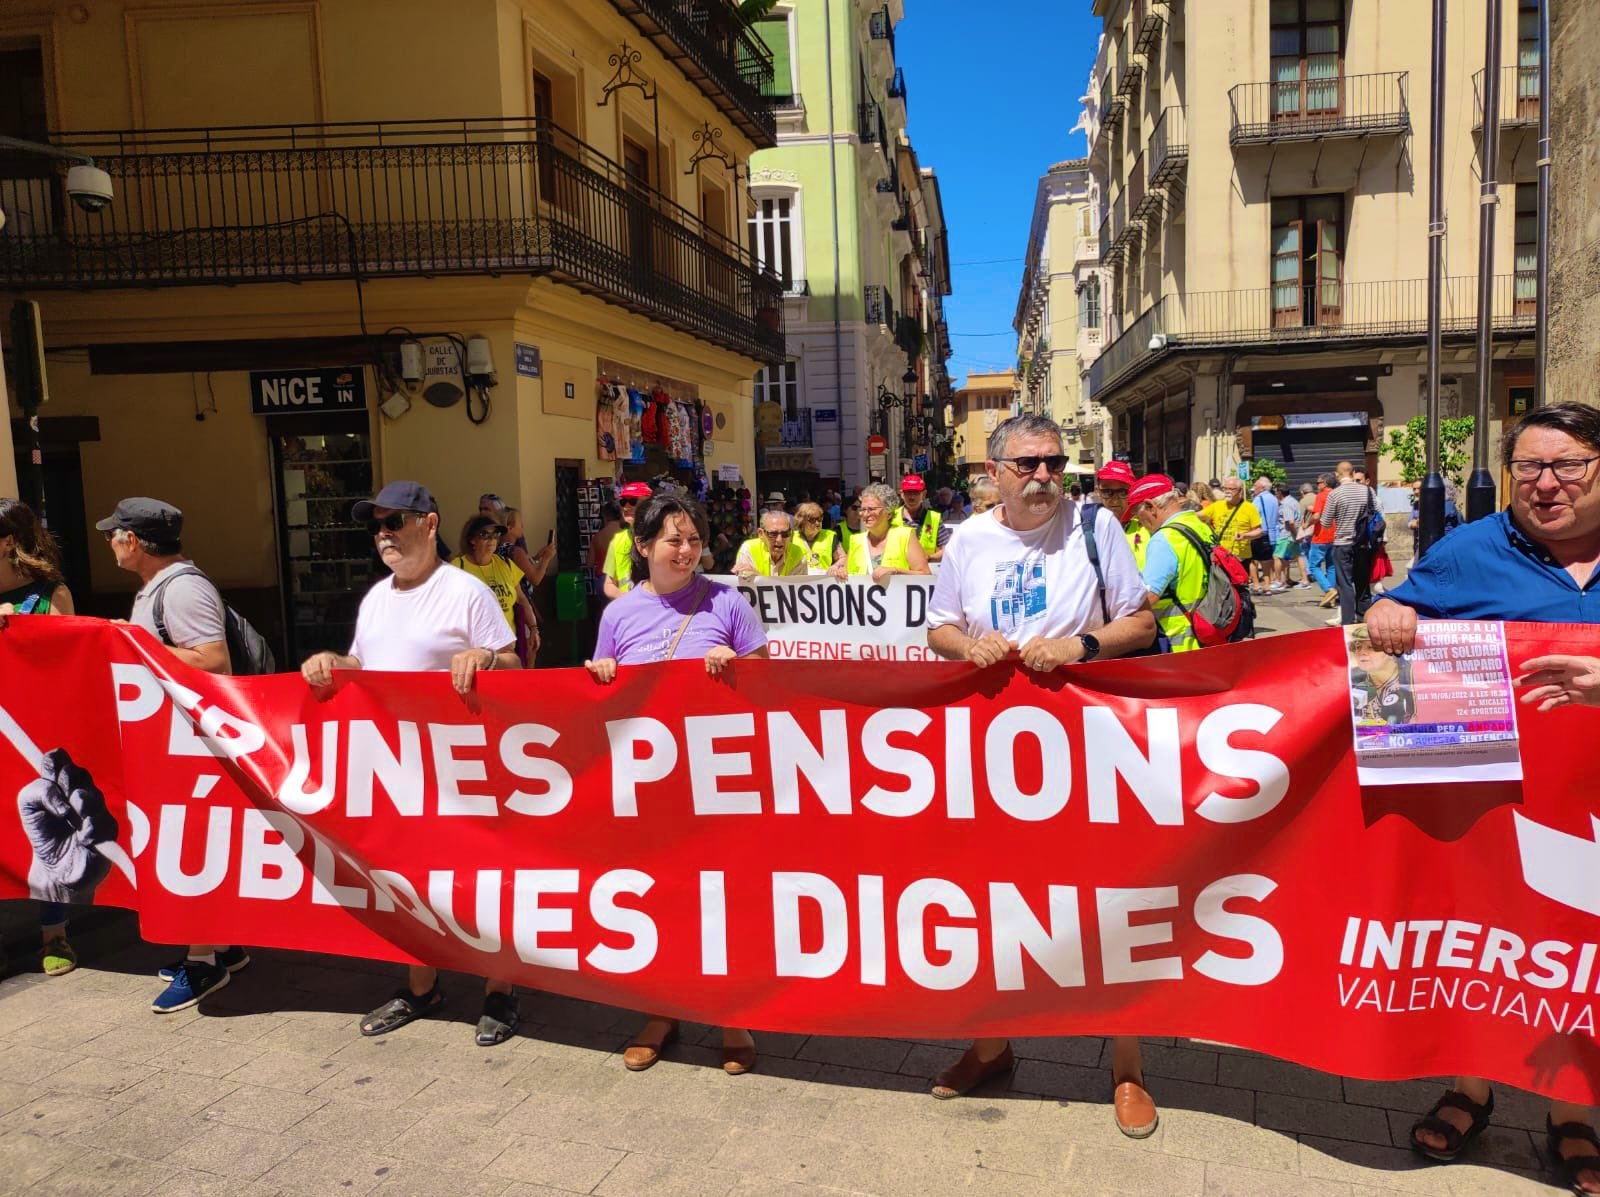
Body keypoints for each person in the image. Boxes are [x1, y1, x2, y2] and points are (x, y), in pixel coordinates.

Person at [1363, 403, 1600, 1196]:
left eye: (1568, 465)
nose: (1546, 483)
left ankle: (1573, 1112)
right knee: (1486, 936)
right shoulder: (1471, 547)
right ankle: (1472, 1089)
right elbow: (1394, 612)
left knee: (1582, 948)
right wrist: (1387, 612)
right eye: (1529, 466)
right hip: (1502, 803)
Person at [925, 414, 1159, 1136]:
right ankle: (991, 1046)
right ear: (993, 470)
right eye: (1028, 464)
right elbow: (937, 628)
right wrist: (972, 641)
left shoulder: (1096, 528)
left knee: (1109, 904)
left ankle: (1127, 1069)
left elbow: (1143, 623)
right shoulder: (968, 540)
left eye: (1055, 462)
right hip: (995, 755)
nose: (1044, 476)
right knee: (995, 903)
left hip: (1088, 747)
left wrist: (1079, 643)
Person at [300, 481, 523, 1047]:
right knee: (410, 882)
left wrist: (486, 658)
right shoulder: (376, 598)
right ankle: (422, 988)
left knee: (482, 881)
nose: (384, 535)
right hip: (401, 772)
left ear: (428, 523)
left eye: (395, 521)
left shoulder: (465, 591)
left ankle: (501, 989)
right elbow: (364, 663)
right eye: (376, 525)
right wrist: (334, 662)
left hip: (465, 770)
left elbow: (516, 663)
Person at [583, 494, 767, 1075]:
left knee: (722, 898)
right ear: (644, 548)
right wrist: (601, 676)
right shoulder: (619, 615)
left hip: (720, 782)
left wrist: (735, 667)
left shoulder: (729, 603)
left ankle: (731, 1016)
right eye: (673, 540)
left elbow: (771, 687)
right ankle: (660, 1011)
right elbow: (603, 701)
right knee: (657, 897)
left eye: (693, 539)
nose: (686, 551)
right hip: (651, 786)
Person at [96, 498, 249, 1012]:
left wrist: (128, 643)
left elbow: (213, 661)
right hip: (174, 741)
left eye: (113, 533)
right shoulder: (161, 587)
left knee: (190, 848)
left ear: (133, 541)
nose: (109, 541)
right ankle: (225, 946)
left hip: (195, 747)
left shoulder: (182, 588)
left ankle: (202, 961)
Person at [0, 499, 80, 976]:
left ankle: (56, 934)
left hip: (34, 735)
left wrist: (22, 631)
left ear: (7, 542)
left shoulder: (52, 593)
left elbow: (66, 665)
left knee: (46, 832)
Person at [1125, 474, 1216, 655]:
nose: (1138, 521)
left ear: (1150, 506)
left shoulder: (1165, 538)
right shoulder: (1199, 526)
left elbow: (1147, 598)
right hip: (1208, 630)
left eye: (1137, 513)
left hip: (1178, 640)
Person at [454, 515, 538, 645]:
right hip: (475, 649)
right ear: (472, 540)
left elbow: (521, 599)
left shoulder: (506, 564)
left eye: (495, 535)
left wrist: (533, 628)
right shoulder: (458, 567)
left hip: (507, 649)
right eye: (485, 535)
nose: (491, 539)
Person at [1319, 460, 1376, 627]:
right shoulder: (1367, 491)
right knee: (1362, 582)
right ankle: (1364, 616)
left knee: (1345, 584)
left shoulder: (1335, 494)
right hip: (1363, 543)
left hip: (1343, 544)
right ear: (1352, 473)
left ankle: (1348, 622)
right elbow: (1378, 511)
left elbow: (1326, 523)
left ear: (1337, 475)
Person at [846, 483, 931, 580]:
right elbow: (846, 574)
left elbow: (925, 574)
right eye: (863, 509)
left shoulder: (905, 536)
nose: (865, 514)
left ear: (889, 513)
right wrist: (838, 571)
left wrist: (896, 571)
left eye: (871, 509)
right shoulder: (856, 541)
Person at [603, 482, 653, 600]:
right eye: (623, 502)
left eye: (633, 501)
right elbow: (609, 584)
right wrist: (627, 600)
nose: (626, 507)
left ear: (649, 505)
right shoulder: (618, 540)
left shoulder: (661, 537)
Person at [1088, 461, 1144, 567]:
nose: (1115, 500)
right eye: (1107, 492)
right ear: (1098, 491)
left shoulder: (1146, 527)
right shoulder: (1087, 529)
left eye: (1122, 492)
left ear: (1132, 491)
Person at [1202, 476, 1264, 568]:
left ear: (1240, 491)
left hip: (1240, 557)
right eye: (1225, 488)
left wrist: (1245, 535)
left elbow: (1259, 531)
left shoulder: (1249, 508)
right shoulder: (1217, 505)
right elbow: (1198, 515)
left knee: (1238, 582)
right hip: (1220, 555)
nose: (1227, 491)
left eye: (1231, 489)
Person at [892, 474, 951, 562]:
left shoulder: (934, 518)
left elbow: (946, 549)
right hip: (898, 572)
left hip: (925, 572)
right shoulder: (891, 517)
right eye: (908, 492)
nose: (912, 497)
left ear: (924, 494)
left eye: (916, 493)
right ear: (902, 494)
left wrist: (929, 558)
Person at [735, 509, 803, 578]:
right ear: (761, 534)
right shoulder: (748, 549)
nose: (779, 540)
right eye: (773, 534)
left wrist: (759, 577)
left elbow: (794, 586)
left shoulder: (797, 553)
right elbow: (746, 582)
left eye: (785, 533)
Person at [1306, 473, 1338, 607]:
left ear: (1325, 483)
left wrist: (1307, 524)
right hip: (1335, 534)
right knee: (1331, 566)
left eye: (1318, 482)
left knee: (1314, 565)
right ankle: (1331, 598)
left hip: (1321, 535)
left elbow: (1317, 516)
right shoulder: (1336, 494)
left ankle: (1329, 590)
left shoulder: (1321, 495)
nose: (1317, 485)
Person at [790, 502, 845, 576]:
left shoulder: (830, 536)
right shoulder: (791, 537)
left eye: (819, 519)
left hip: (822, 583)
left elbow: (843, 558)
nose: (817, 523)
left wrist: (835, 566)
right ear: (801, 521)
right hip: (798, 582)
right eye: (813, 520)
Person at [1247, 477, 1279, 594]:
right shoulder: (1274, 498)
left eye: (1255, 486)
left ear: (1262, 488)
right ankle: (1267, 585)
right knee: (1267, 561)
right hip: (1272, 533)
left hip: (1259, 533)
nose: (1253, 489)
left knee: (1253, 561)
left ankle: (1256, 585)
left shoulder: (1258, 499)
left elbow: (1252, 515)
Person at [1271, 482, 1301, 591]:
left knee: (1277, 557)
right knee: (1287, 558)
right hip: (1291, 535)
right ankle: (1286, 579)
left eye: (1275, 492)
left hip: (1286, 534)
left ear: (1280, 492)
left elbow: (1291, 522)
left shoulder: (1286, 504)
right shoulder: (1293, 501)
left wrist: (1296, 534)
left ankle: (1278, 581)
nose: (1275, 495)